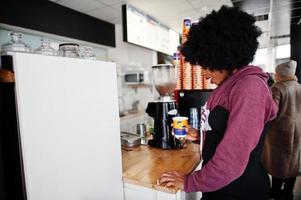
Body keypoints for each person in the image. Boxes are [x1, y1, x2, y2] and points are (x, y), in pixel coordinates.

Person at [157, 5, 278, 200]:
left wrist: (190, 182)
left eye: (205, 64)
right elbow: (228, 132)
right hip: (220, 188)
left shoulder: (250, 87)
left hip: (239, 191)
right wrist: (198, 136)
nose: (203, 73)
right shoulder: (228, 85)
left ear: (222, 55)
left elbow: (232, 159)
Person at [262, 60, 301, 200]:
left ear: (281, 74)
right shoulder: (299, 87)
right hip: (297, 132)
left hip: (280, 132)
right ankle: (288, 192)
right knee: (293, 163)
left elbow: (271, 111)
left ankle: (275, 191)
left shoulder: (278, 88)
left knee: (278, 163)